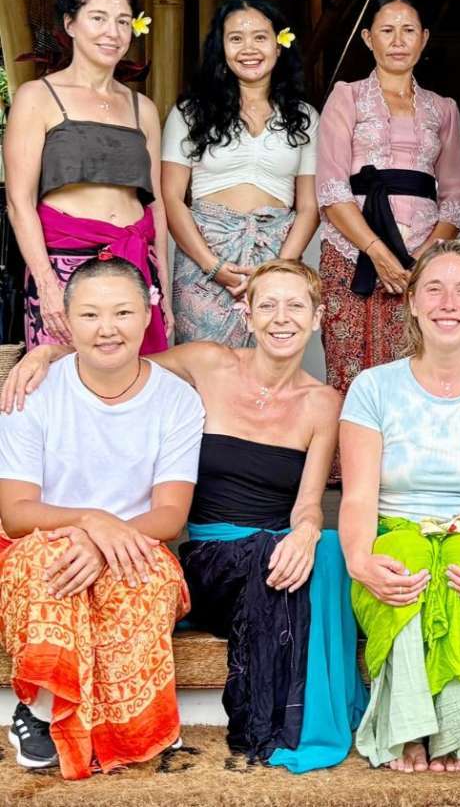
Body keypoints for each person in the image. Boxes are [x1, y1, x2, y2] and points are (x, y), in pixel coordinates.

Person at [3, 259, 368, 772]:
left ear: (316, 317)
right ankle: (51, 712)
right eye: (267, 304)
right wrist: (47, 353)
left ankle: (296, 721)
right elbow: (123, 354)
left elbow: (309, 499)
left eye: (295, 306)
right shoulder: (205, 363)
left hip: (269, 546)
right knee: (268, 555)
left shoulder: (323, 401)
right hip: (214, 556)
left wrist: (309, 530)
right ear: (246, 313)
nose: (280, 318)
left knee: (324, 552)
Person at [0, 257, 202, 778]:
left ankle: (112, 721)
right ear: (67, 320)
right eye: (90, 315)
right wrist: (93, 522)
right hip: (44, 539)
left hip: (137, 543)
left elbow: (170, 516)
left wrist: (106, 538)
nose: (107, 328)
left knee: (141, 575)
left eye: (122, 313)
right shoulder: (35, 389)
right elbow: (17, 514)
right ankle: (43, 711)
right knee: (53, 559)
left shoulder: (178, 400)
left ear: (147, 313)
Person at [338, 240, 460, 773]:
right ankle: (405, 725)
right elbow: (357, 497)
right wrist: (359, 559)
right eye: (435, 289)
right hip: (392, 529)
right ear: (413, 305)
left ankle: (459, 722)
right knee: (404, 558)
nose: (449, 302)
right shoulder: (373, 388)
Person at [317, 0, 460, 481]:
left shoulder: (443, 108)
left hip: (422, 258)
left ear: (424, 39)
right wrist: (378, 251)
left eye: (408, 30)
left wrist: (422, 258)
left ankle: (408, 473)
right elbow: (332, 187)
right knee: (349, 367)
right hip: (353, 252)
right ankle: (348, 480)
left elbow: (455, 197)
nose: (398, 40)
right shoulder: (347, 96)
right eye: (387, 30)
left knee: (416, 365)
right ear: (368, 39)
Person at [3, 0, 172, 353]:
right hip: (63, 264)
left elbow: (157, 202)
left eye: (123, 21)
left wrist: (162, 281)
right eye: (98, 18)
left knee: (136, 388)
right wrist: (46, 283)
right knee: (64, 390)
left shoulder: (142, 107)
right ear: (70, 24)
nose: (112, 33)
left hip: (134, 267)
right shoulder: (37, 97)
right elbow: (19, 201)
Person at [162, 0, 319, 346]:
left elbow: (309, 207)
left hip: (276, 257)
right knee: (203, 372)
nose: (249, 48)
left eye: (260, 37)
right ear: (222, 48)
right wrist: (213, 266)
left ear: (279, 45)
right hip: (203, 260)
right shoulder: (189, 112)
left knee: (270, 369)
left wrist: (276, 269)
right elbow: (171, 198)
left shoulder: (305, 117)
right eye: (236, 38)